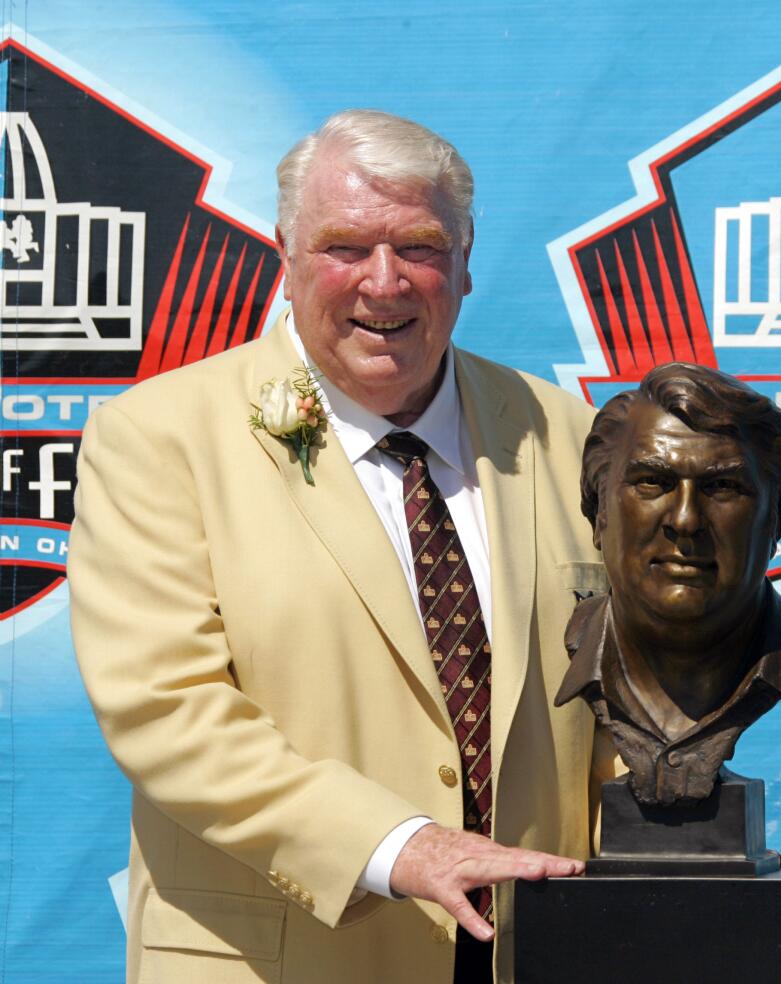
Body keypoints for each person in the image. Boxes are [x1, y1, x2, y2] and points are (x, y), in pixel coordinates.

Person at [68, 110, 613, 984]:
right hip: (281, 959)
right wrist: (401, 847)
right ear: (285, 254)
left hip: (532, 953)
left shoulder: (569, 436)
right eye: (346, 247)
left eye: (421, 247)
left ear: (468, 260)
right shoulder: (157, 439)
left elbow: (620, 703)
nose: (385, 282)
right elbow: (166, 711)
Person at [557, 363, 781, 806]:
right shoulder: (569, 642)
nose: (685, 520)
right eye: (652, 482)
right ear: (599, 512)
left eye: (722, 486)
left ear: (775, 519)